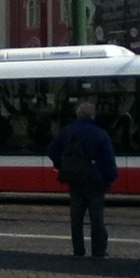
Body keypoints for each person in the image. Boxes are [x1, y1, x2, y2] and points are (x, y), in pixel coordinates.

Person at [48, 102, 119, 259]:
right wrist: (110, 178)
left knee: (76, 218)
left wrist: (62, 165)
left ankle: (78, 251)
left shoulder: (66, 131)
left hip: (73, 178)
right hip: (95, 181)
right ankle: (98, 252)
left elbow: (52, 150)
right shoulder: (99, 133)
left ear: (77, 115)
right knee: (96, 218)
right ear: (93, 115)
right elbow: (108, 160)